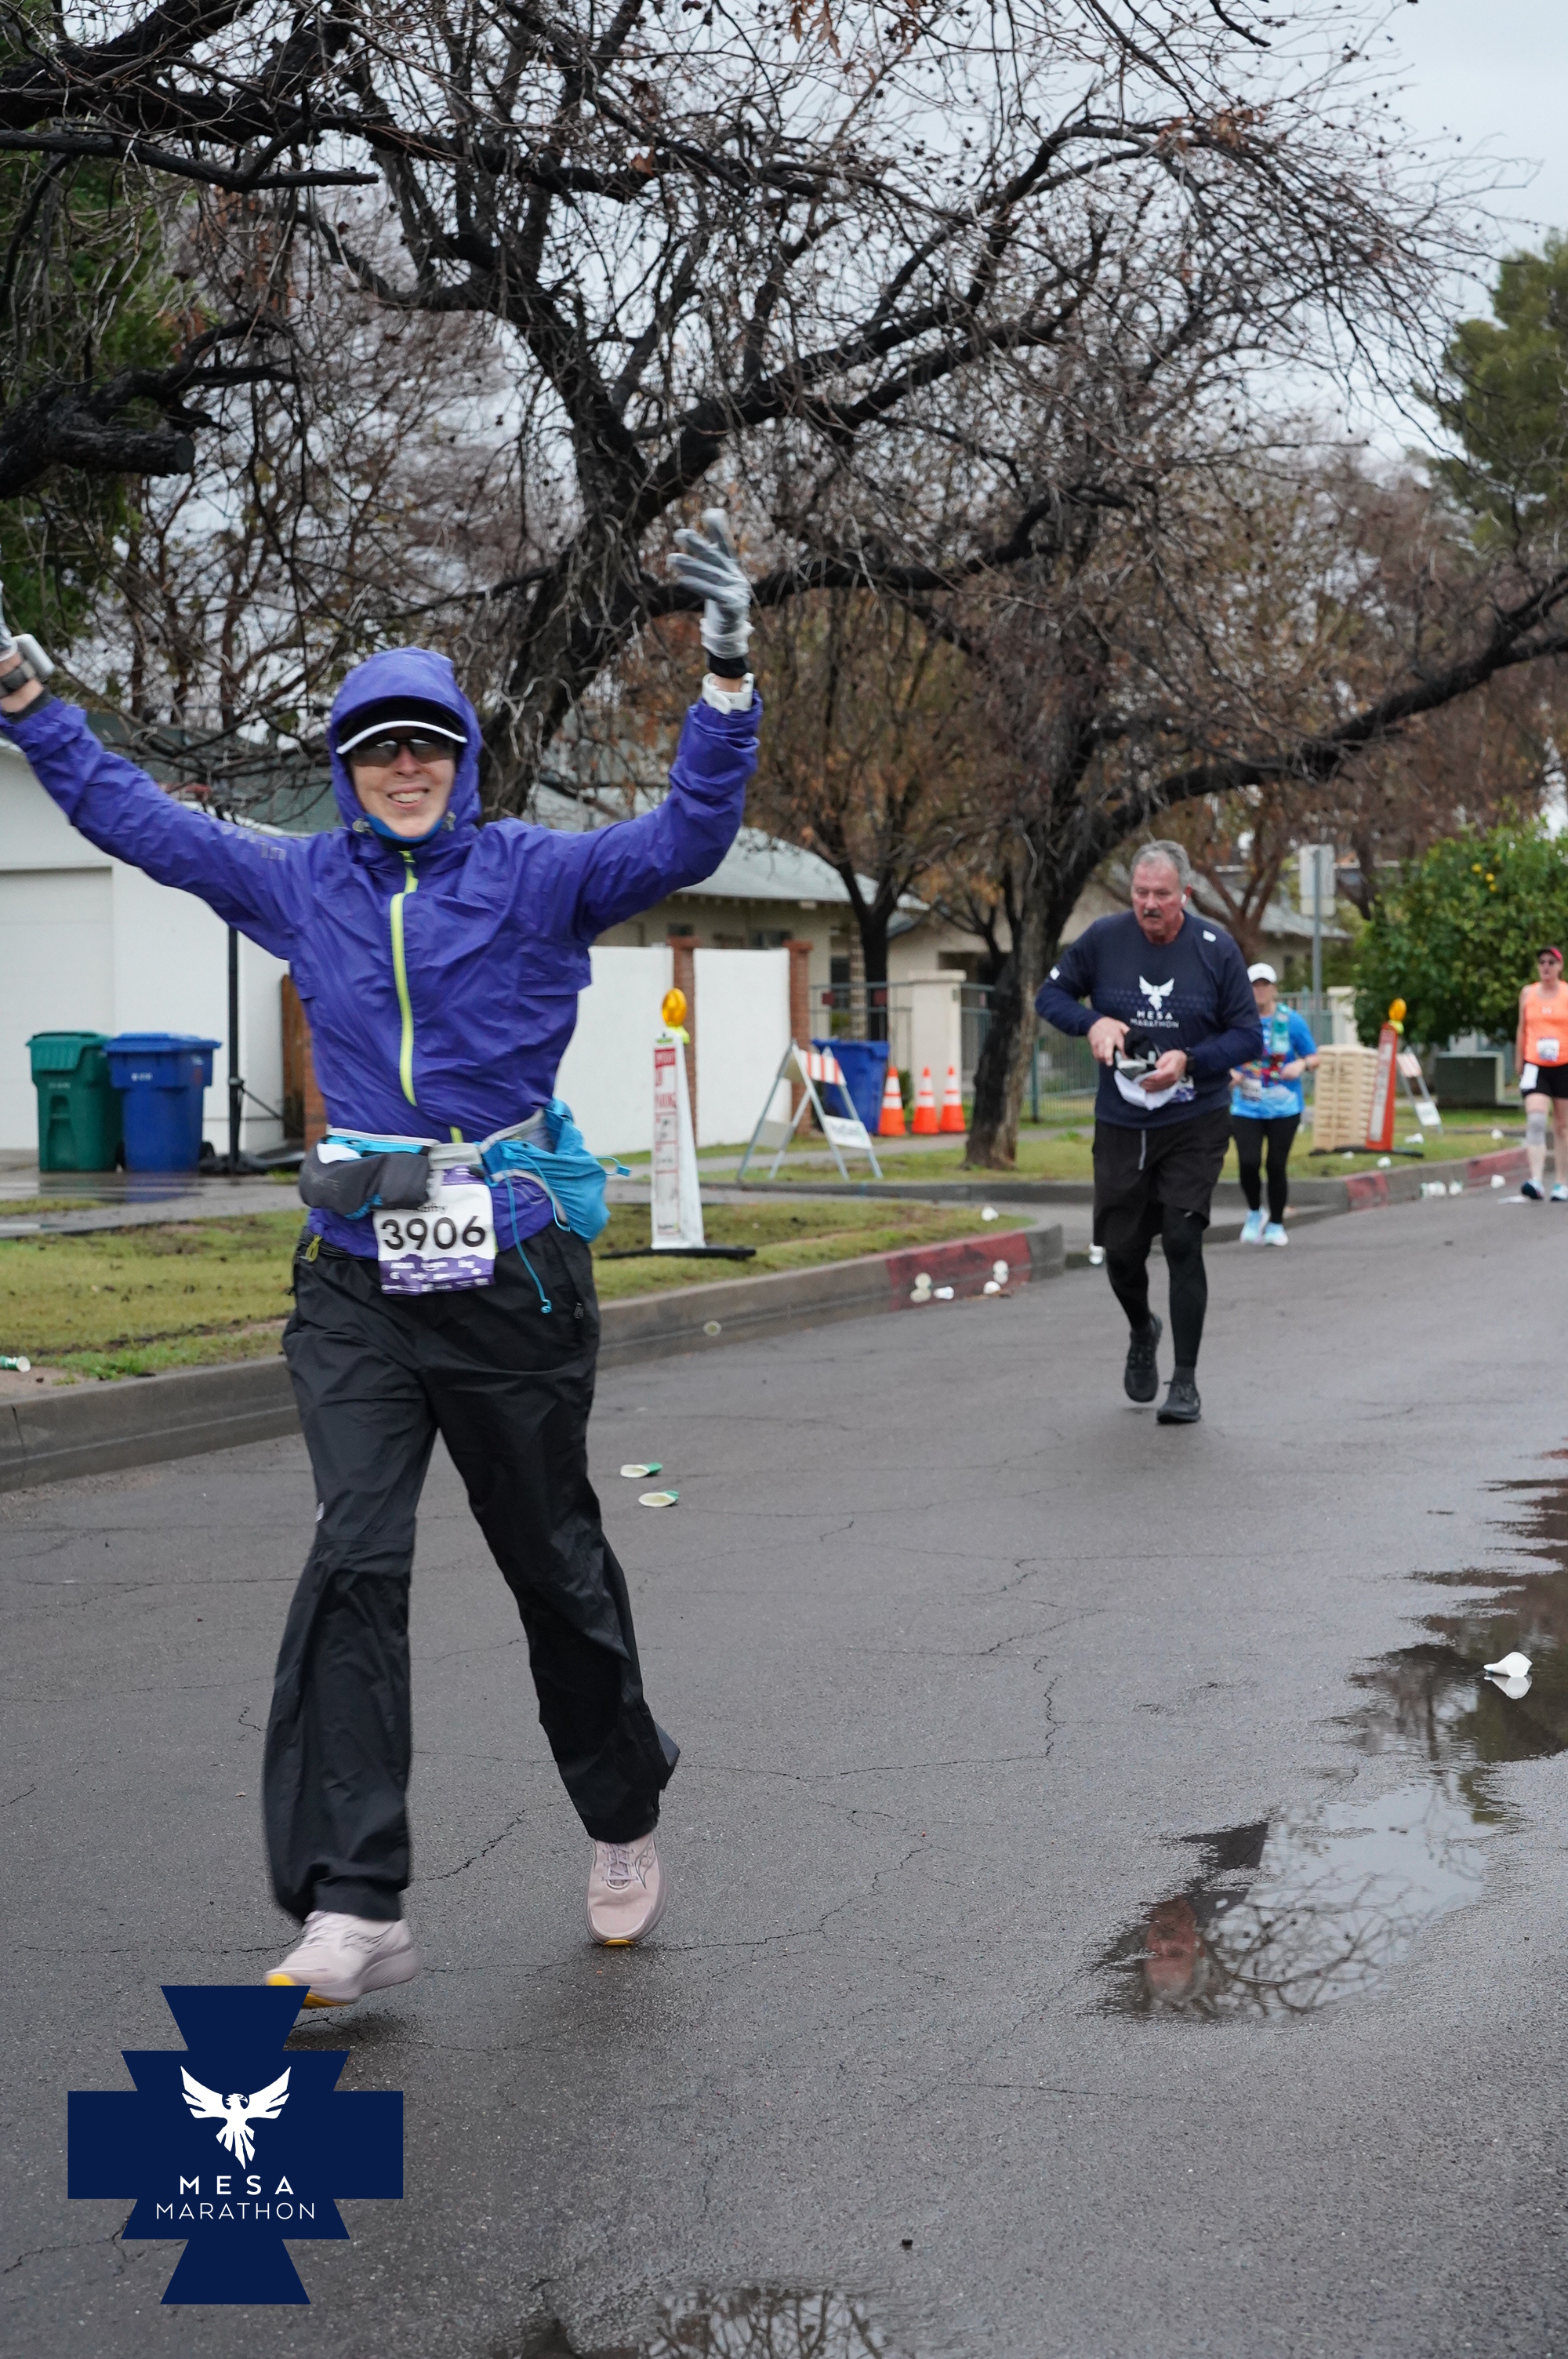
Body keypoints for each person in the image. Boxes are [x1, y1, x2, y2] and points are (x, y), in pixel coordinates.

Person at [0, 510, 760, 2002]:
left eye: (426, 747)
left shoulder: (536, 872)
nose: (403, 768)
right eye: (376, 750)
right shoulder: (301, 882)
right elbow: (139, 821)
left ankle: (620, 1810)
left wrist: (725, 678)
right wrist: (32, 706)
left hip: (511, 1274)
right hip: (356, 1275)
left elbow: (688, 835)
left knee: (553, 1565)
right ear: (347, 769)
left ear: (461, 760)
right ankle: (356, 1901)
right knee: (355, 1557)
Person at [1036, 841, 1262, 1425]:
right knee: (1121, 1253)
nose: (1150, 905)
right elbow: (1050, 996)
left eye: (1162, 894)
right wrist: (1093, 1021)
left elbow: (1248, 1036)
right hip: (1122, 1120)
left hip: (1194, 1117)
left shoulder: (1215, 947)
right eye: (1141, 893)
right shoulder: (1104, 939)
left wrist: (1190, 1060)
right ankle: (1143, 1328)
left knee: (1183, 1240)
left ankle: (1184, 1382)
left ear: (1185, 893)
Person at [1229, 962, 1319, 1246]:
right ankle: (1255, 1212)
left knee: (1276, 1165)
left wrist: (1301, 1065)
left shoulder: (1291, 1020)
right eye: (1254, 986)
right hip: (1246, 1106)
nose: (1260, 991)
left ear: (1274, 989)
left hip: (1284, 1106)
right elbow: (1221, 1052)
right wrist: (1229, 1073)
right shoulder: (1237, 1021)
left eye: (1265, 985)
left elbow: (1314, 1056)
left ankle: (1277, 1224)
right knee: (1248, 1163)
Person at [1515, 945, 1568, 1202]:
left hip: (1564, 1064)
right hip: (1536, 1065)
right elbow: (1522, 1028)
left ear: (1560, 967)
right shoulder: (1528, 993)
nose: (1545, 967)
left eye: (1551, 962)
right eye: (1542, 962)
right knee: (1536, 1120)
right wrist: (1519, 1061)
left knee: (1562, 1126)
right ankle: (1535, 1181)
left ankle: (1561, 1182)